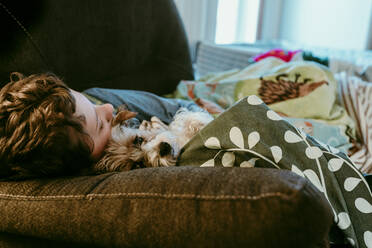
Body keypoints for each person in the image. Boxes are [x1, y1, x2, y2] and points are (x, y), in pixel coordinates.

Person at [0, 72, 211, 180]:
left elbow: (183, 106)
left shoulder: (101, 99)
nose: (108, 109)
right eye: (100, 124)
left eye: (93, 106)